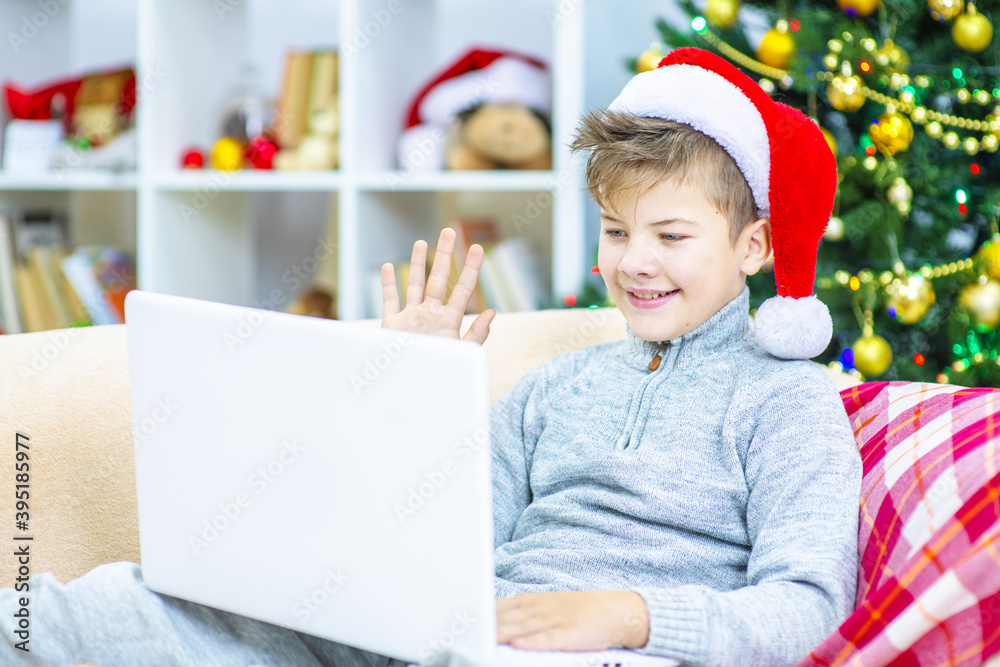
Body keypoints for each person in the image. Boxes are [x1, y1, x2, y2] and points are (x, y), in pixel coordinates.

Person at [0, 47, 861, 666]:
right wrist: (403, 392)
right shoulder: (555, 388)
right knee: (119, 602)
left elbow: (807, 607)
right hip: (443, 633)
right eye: (615, 231)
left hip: (611, 651)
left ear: (752, 246)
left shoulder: (787, 400)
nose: (635, 260)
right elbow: (424, 544)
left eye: (671, 235)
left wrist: (627, 616)